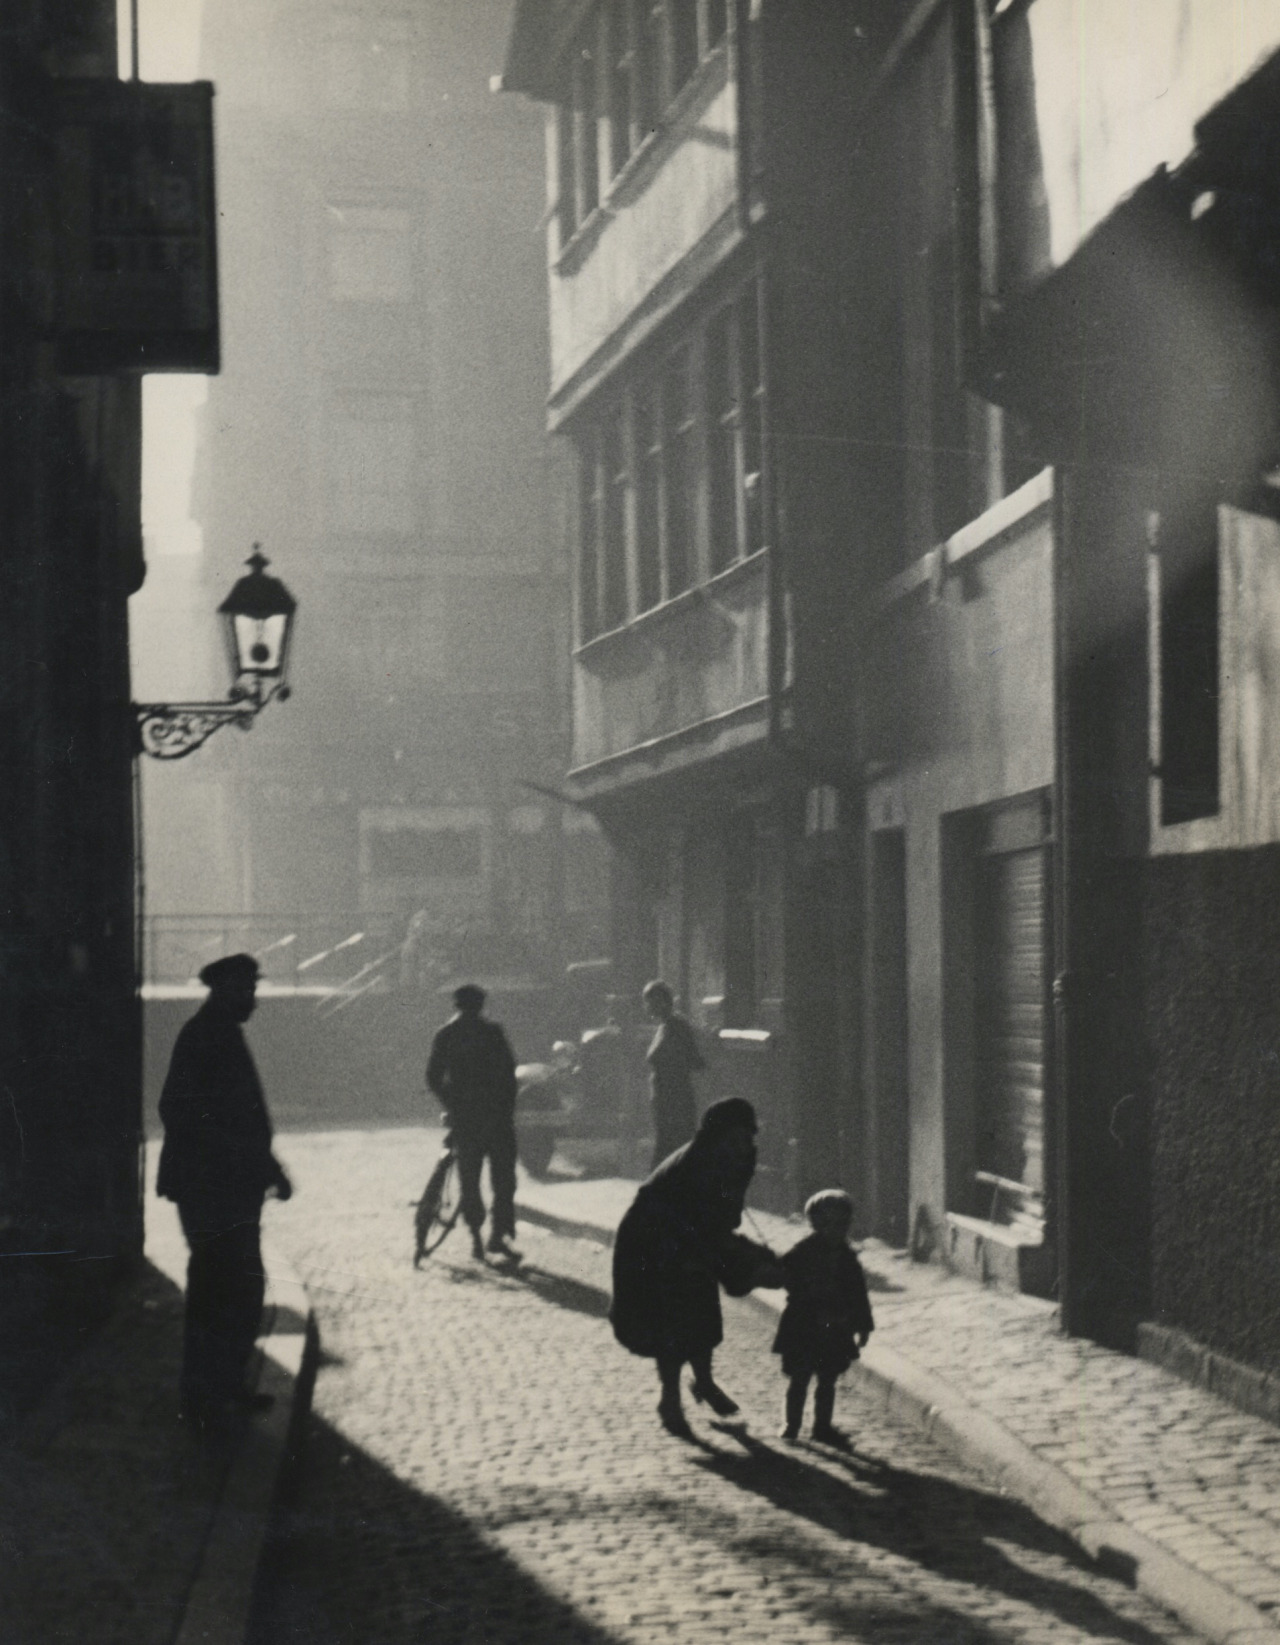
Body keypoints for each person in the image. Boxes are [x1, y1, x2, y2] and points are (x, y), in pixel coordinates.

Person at [157, 953, 293, 1433]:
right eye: (248, 991)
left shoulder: (220, 1034)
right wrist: (243, 1157)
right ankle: (205, 1395)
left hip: (229, 1186)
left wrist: (269, 1165)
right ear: (226, 991)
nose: (253, 1000)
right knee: (223, 1289)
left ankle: (222, 1387)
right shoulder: (204, 1037)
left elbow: (245, 1119)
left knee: (234, 1289)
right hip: (212, 1187)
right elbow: (177, 1108)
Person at [610, 1096, 782, 1438]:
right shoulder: (695, 1165)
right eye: (733, 1138)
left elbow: (725, 1212)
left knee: (702, 1314)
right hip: (651, 1240)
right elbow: (694, 1221)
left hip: (694, 1237)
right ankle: (669, 1399)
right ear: (716, 1136)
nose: (742, 1144)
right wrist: (738, 1260)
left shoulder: (740, 1158)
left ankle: (703, 1382)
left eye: (747, 1137)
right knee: (669, 1324)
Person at [426, 983, 520, 1262]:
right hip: (497, 1118)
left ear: (457, 1005)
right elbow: (508, 1075)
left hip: (466, 1119)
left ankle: (476, 1237)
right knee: (504, 1180)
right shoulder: (493, 1033)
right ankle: (497, 1234)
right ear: (480, 1005)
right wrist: (506, 1108)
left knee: (470, 1179)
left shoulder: (446, 1034)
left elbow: (432, 1077)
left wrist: (451, 1104)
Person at [773, 1188, 874, 1447]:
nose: (838, 1230)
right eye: (830, 1223)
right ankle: (791, 1424)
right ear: (817, 1224)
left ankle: (822, 1427)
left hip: (835, 1327)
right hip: (803, 1325)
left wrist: (863, 1326)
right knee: (800, 1378)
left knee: (827, 1380)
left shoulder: (848, 1258)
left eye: (843, 1224)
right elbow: (784, 1277)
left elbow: (858, 1294)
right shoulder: (801, 1253)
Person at [642, 979, 705, 1169]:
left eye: (652, 1001)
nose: (648, 1006)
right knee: (667, 1148)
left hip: (675, 1098)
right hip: (664, 1098)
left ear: (663, 1001)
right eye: (647, 1001)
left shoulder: (677, 1026)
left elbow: (694, 1060)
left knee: (672, 1148)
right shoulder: (664, 1026)